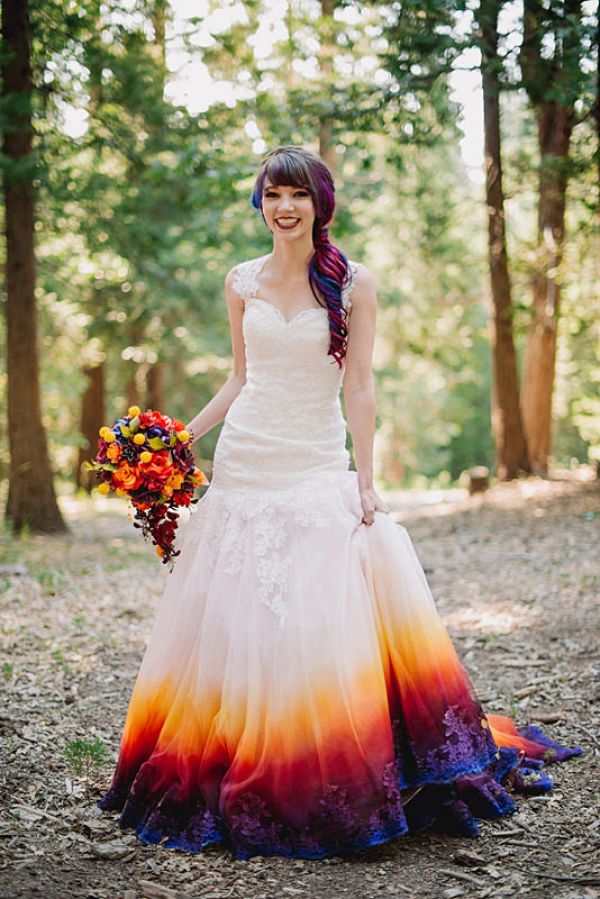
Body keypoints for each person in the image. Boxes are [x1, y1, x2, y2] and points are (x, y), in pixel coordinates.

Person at [97, 146, 580, 860]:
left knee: (314, 617)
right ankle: (234, 748)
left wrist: (366, 475)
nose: (284, 206)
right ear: (259, 204)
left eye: (297, 194)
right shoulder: (240, 282)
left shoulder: (352, 283)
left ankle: (313, 758)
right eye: (272, 194)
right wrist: (178, 439)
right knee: (237, 618)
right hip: (246, 463)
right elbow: (239, 377)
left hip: (315, 462)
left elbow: (359, 385)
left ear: (320, 203)